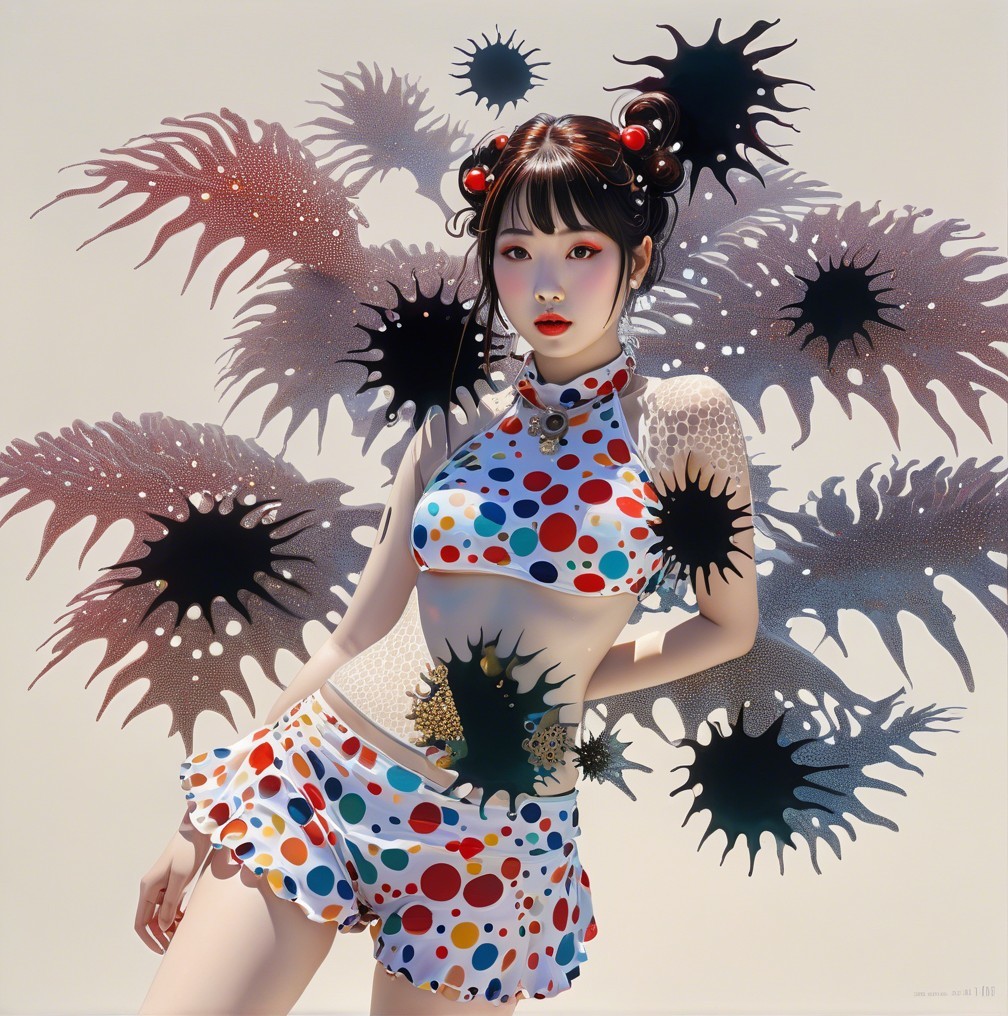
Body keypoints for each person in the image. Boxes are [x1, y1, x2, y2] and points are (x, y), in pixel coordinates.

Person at [135, 90, 759, 1015]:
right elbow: (352, 639)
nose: (547, 285)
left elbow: (725, 628)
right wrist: (204, 813)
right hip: (322, 772)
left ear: (637, 259)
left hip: (492, 839)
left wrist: (555, 686)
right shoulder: (458, 422)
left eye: (581, 252)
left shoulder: (682, 421)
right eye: (518, 253)